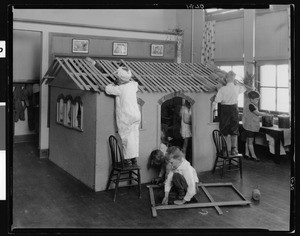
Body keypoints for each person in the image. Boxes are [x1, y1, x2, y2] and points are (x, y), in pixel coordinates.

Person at [86, 57, 141, 166]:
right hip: (136, 115)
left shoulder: (119, 89)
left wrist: (107, 85)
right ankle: (134, 158)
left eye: (118, 78)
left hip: (127, 117)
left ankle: (128, 160)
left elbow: (106, 88)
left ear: (120, 79)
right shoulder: (133, 85)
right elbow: (130, 82)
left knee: (125, 137)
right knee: (134, 136)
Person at [212, 71, 247, 155]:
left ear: (226, 79)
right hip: (234, 109)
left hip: (225, 109)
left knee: (224, 130)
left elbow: (217, 101)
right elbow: (244, 88)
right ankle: (233, 149)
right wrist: (236, 82)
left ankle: (224, 149)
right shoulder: (237, 87)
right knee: (234, 130)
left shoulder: (222, 89)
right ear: (233, 79)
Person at [242, 91, 271, 162]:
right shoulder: (251, 105)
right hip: (250, 126)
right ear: (251, 99)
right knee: (250, 142)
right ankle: (253, 156)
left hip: (247, 125)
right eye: (256, 99)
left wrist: (264, 113)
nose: (257, 101)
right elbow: (257, 113)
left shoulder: (248, 104)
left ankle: (246, 154)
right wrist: (266, 114)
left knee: (248, 141)